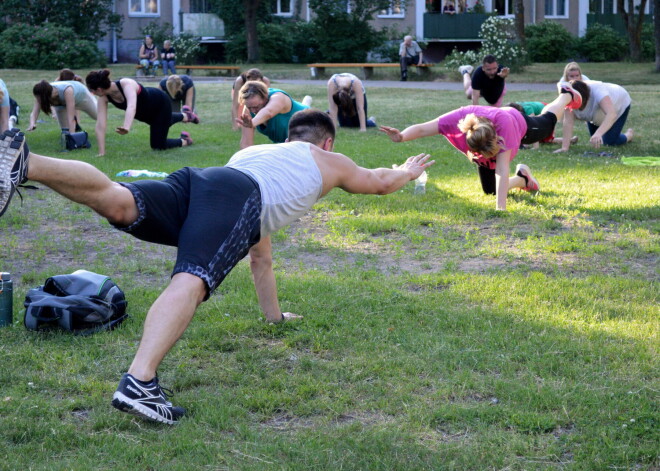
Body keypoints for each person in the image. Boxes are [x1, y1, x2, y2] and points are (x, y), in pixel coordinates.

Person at [0, 110, 435, 423]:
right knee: (194, 276)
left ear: (288, 136)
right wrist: (408, 170)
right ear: (327, 143)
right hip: (236, 197)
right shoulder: (326, 161)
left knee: (118, 201)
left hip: (203, 179)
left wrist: (275, 318)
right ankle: (139, 382)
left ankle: (28, 163)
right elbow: (378, 182)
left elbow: (259, 253)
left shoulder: (264, 157)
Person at [380, 84, 583, 210]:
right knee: (490, 191)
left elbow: (502, 170)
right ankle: (523, 179)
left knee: (547, 122)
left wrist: (500, 210)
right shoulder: (458, 119)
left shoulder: (505, 126)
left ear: (496, 139)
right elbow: (424, 129)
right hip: (486, 137)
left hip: (521, 125)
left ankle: (565, 95)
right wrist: (401, 137)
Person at [85, 69, 199, 156]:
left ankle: (185, 140)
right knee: (163, 122)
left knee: (158, 146)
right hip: (146, 115)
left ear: (98, 89)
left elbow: (131, 106)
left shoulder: (126, 84)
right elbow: (100, 124)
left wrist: (126, 126)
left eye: (92, 91)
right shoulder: (104, 98)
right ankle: (187, 115)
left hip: (160, 104)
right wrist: (101, 152)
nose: (92, 94)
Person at [555, 80, 633, 153]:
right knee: (596, 139)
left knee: (609, 141)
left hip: (620, 103)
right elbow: (568, 122)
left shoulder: (598, 91)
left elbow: (611, 114)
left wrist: (598, 133)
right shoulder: (567, 96)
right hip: (596, 113)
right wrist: (564, 148)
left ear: (585, 97)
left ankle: (628, 135)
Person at [235, 80, 312, 149]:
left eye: (256, 107)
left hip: (309, 125)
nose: (253, 111)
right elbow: (246, 144)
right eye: (249, 107)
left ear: (265, 98)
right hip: (288, 139)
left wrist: (252, 123)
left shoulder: (278, 97)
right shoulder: (248, 110)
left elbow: (268, 112)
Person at [27, 80, 98, 137]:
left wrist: (72, 136)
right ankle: (70, 135)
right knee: (65, 132)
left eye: (39, 98)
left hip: (82, 96)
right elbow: (34, 113)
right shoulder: (41, 94)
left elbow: (71, 117)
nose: (38, 100)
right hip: (61, 103)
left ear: (45, 96)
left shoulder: (67, 90)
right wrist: (32, 124)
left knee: (97, 115)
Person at [510, 101, 578, 149]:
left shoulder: (527, 109)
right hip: (540, 115)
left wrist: (535, 147)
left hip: (549, 112)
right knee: (541, 139)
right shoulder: (516, 108)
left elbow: (534, 127)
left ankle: (570, 140)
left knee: (547, 139)